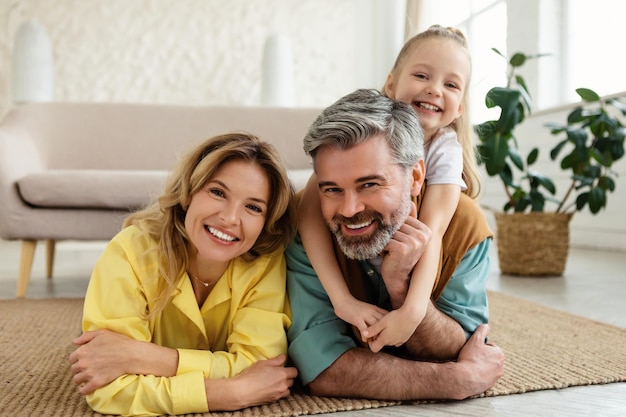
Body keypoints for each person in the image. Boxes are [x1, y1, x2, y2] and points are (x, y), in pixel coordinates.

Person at [286, 88, 504, 400]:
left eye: (370, 184)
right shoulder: (305, 227)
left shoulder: (463, 224)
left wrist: (401, 288)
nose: (349, 210)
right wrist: (452, 380)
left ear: (416, 176)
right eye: (332, 189)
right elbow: (322, 367)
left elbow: (461, 345)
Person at [69, 133, 298, 416]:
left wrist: (145, 357)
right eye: (217, 192)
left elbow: (263, 368)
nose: (229, 218)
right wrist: (230, 393)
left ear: (266, 222)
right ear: (189, 193)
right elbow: (109, 390)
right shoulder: (129, 251)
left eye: (253, 207)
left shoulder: (264, 262)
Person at [297, 25, 480, 351]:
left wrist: (412, 311)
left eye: (450, 84)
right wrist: (342, 301)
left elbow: (432, 231)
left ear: (461, 107)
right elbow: (308, 213)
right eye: (422, 76)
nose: (435, 90)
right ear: (391, 83)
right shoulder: (357, 136)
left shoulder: (445, 150)